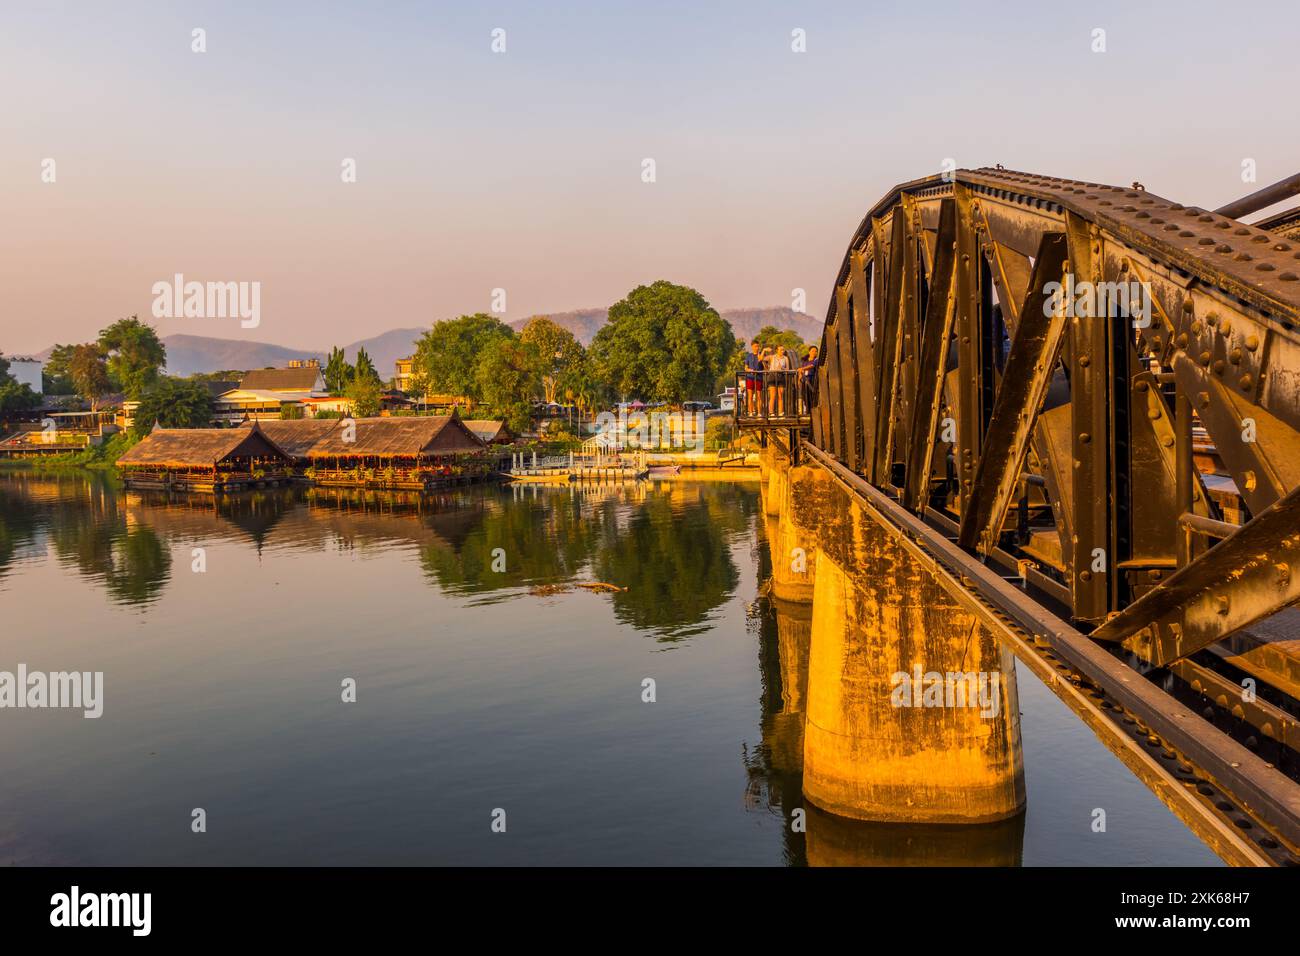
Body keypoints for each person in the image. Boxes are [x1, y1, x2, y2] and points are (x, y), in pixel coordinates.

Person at [767, 347, 791, 417]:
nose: (782, 351)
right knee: (772, 395)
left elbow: (787, 368)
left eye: (783, 350)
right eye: (781, 350)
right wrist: (764, 350)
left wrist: (782, 368)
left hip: (781, 376)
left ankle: (781, 413)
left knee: (780, 395)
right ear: (777, 350)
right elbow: (761, 359)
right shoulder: (772, 357)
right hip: (773, 376)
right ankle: (771, 412)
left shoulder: (785, 358)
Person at [743, 340, 763, 416]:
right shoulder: (748, 356)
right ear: (752, 347)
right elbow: (746, 368)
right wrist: (750, 370)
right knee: (750, 396)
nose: (757, 348)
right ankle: (750, 412)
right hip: (750, 377)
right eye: (755, 346)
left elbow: (766, 367)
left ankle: (759, 413)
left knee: (759, 396)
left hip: (759, 377)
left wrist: (761, 359)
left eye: (758, 346)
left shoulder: (761, 355)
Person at [799, 345, 819, 414]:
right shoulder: (805, 361)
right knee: (805, 396)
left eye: (816, 351)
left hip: (812, 380)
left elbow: (812, 366)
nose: (814, 352)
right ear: (809, 352)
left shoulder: (816, 360)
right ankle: (807, 411)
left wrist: (802, 369)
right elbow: (801, 370)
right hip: (805, 380)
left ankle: (812, 412)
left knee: (811, 396)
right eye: (813, 351)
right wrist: (800, 377)